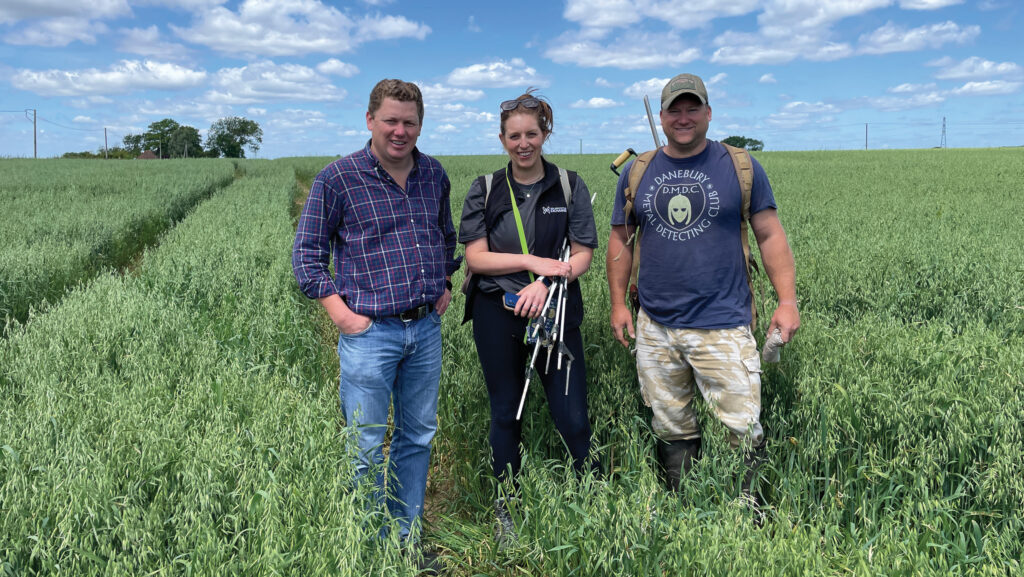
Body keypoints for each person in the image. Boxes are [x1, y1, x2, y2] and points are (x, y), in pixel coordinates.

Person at [606, 73, 800, 506]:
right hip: (655, 325)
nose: (683, 117)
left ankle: (747, 519)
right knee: (671, 425)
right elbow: (620, 239)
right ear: (661, 116)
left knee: (742, 428)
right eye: (674, 109)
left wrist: (787, 301)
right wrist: (619, 304)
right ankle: (684, 510)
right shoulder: (639, 171)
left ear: (709, 113)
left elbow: (769, 234)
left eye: (692, 108)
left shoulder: (739, 166)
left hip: (724, 324)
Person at [292, 79, 459, 560]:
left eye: (409, 122)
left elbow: (446, 236)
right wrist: (341, 314)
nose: (400, 131)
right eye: (390, 120)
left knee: (417, 435)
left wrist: (445, 281)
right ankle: (367, 544)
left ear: (420, 124)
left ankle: (405, 541)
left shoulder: (434, 175)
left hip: (425, 329)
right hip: (370, 334)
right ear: (370, 120)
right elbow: (306, 256)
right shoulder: (338, 178)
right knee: (364, 444)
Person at [458, 90, 599, 542]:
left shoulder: (569, 185)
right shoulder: (485, 188)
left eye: (532, 134)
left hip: (555, 312)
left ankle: (592, 496)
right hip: (497, 312)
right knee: (505, 412)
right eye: (514, 136)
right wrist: (534, 264)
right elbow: (476, 259)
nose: (524, 143)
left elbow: (582, 256)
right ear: (502, 139)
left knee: (572, 413)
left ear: (545, 133)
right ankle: (507, 506)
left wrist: (549, 282)